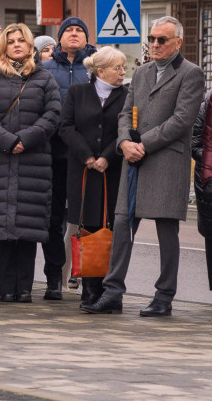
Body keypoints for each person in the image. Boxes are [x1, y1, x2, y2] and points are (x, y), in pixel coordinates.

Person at [84, 16, 204, 317]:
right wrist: (124, 143)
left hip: (165, 161)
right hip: (133, 161)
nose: (154, 44)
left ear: (178, 43)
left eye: (161, 40)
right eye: (151, 39)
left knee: (166, 231)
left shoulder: (192, 74)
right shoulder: (141, 72)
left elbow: (182, 120)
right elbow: (125, 113)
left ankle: (164, 296)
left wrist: (143, 145)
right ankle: (113, 293)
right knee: (122, 225)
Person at [0, 24, 61, 303]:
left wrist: (25, 138)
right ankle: (5, 288)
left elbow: (52, 115)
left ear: (30, 46)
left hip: (33, 161)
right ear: (3, 46)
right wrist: (6, 140)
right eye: (10, 41)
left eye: (21, 41)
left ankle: (24, 288)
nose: (16, 45)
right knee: (2, 227)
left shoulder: (44, 77)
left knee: (28, 228)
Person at [58, 46, 127, 308]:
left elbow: (129, 129)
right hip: (83, 171)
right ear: (100, 71)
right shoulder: (78, 92)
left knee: (110, 227)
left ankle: (110, 291)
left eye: (123, 67)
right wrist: (87, 155)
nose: (122, 72)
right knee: (86, 228)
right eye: (117, 68)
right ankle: (89, 289)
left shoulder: (126, 95)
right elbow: (66, 126)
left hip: (112, 171)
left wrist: (108, 156)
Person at [40, 16, 97, 299]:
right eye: (68, 30)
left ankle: (90, 280)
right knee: (52, 219)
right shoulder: (45, 68)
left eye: (79, 31)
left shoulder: (97, 67)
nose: (74, 34)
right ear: (59, 38)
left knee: (90, 220)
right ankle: (53, 278)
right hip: (53, 154)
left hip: (88, 157)